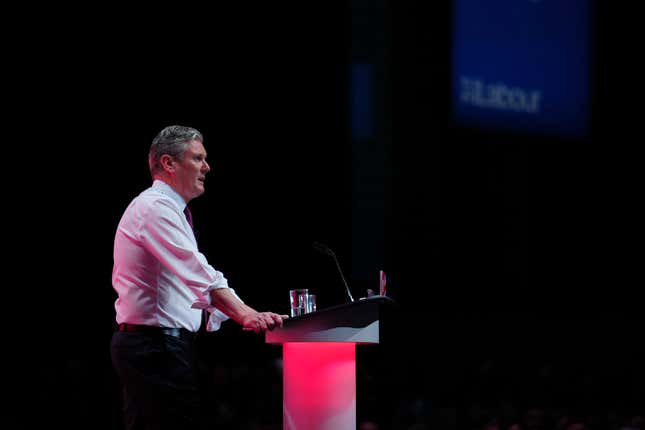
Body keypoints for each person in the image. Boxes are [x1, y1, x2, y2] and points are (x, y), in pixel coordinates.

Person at [110, 124, 288, 430]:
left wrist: (241, 312)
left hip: (156, 347)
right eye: (198, 158)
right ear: (168, 163)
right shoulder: (155, 209)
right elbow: (200, 274)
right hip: (154, 349)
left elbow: (189, 280)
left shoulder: (167, 209)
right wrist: (246, 314)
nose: (207, 167)